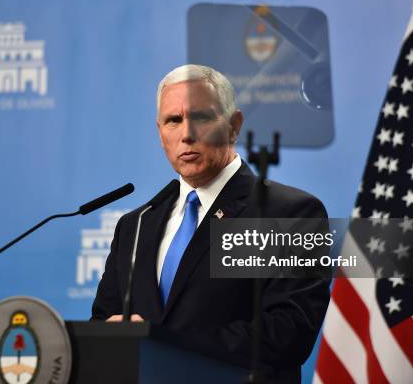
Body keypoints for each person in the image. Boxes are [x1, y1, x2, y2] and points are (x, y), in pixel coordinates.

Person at [92, 64, 330, 382]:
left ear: (234, 126)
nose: (187, 134)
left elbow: (287, 333)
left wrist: (161, 340)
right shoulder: (136, 226)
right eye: (173, 120)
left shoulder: (289, 214)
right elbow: (102, 324)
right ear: (160, 132)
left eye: (201, 117)